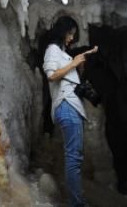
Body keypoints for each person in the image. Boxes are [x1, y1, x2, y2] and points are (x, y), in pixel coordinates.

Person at [43, 15, 98, 207]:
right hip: (66, 106)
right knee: (73, 158)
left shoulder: (63, 54)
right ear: (62, 31)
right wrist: (73, 64)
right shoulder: (52, 50)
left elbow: (68, 79)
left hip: (72, 106)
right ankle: (77, 204)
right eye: (70, 34)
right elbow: (51, 76)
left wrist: (79, 67)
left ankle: (77, 201)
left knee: (75, 157)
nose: (71, 38)